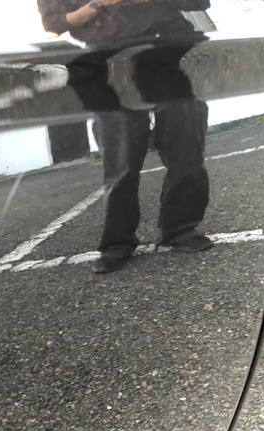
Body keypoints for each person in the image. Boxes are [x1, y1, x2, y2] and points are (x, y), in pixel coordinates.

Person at [37, 0, 213, 273]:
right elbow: (54, 23)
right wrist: (99, 3)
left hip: (171, 49)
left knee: (187, 148)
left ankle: (181, 230)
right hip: (109, 60)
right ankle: (117, 242)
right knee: (120, 161)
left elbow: (200, 2)